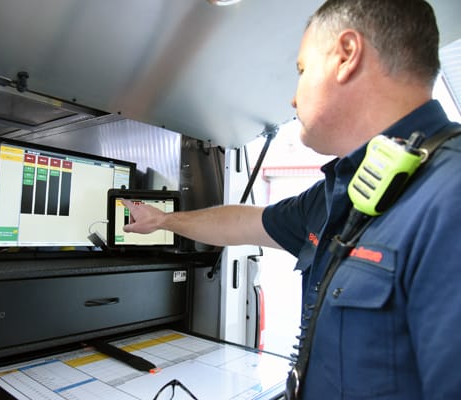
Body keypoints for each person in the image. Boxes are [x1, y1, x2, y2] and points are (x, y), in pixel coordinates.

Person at [122, 0, 461, 399]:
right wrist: (163, 221)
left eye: (301, 70)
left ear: (346, 56)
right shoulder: (343, 193)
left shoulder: (448, 193)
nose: (293, 99)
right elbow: (241, 222)